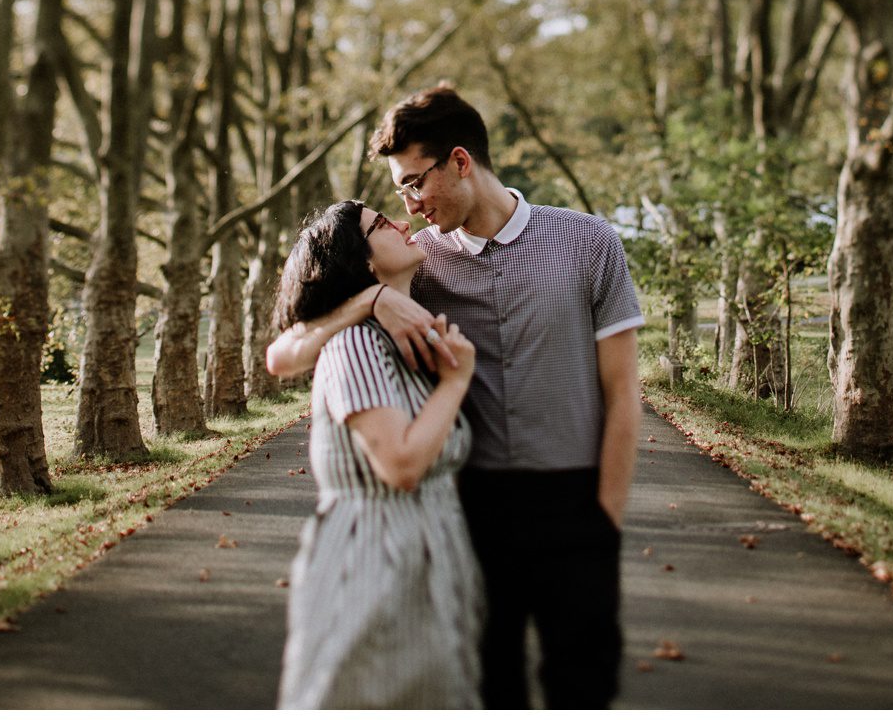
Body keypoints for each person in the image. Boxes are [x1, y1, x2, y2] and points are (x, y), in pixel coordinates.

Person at [268, 83, 644, 708]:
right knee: (487, 686)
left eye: (414, 183)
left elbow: (623, 390)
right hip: (469, 510)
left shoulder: (589, 242)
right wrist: (371, 299)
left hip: (574, 502)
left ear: (461, 161)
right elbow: (283, 356)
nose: (409, 206)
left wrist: (605, 518)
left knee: (584, 682)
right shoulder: (418, 263)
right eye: (399, 192)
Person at [272, 199, 483, 709]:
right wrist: (456, 381)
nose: (404, 221)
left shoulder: (406, 337)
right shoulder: (357, 346)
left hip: (433, 556)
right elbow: (401, 465)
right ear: (362, 260)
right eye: (382, 224)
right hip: (374, 562)